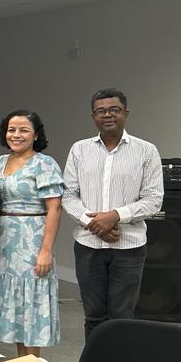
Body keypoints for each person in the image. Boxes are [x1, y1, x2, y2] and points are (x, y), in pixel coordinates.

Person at [62, 89, 163, 340]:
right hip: (88, 246)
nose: (107, 115)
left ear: (125, 113)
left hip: (129, 247)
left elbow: (153, 200)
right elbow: (68, 195)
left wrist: (115, 216)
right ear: (93, 116)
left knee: (121, 317)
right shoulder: (79, 150)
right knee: (93, 316)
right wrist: (95, 223)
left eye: (114, 110)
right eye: (101, 111)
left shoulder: (146, 151)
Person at [0, 111, 64, 357]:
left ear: (36, 134)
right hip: (4, 242)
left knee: (31, 304)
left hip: (32, 241)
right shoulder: (0, 162)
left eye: (23, 130)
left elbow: (54, 208)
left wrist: (46, 250)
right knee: (16, 307)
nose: (16, 135)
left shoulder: (44, 163)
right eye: (12, 130)